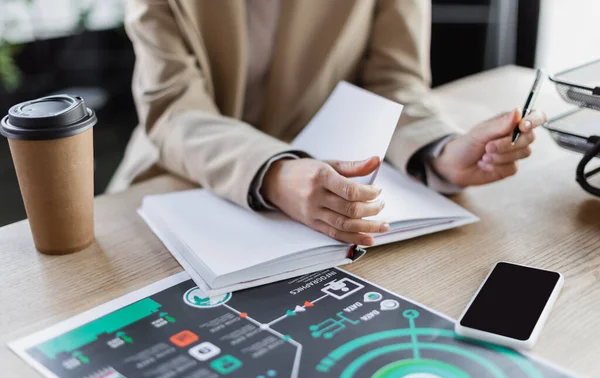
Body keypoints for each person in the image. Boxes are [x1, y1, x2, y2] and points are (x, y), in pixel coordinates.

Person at [109, 0, 546, 246]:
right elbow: (173, 108)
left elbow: (393, 79)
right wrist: (274, 172)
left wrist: (440, 150)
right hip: (177, 178)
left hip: (327, 181)